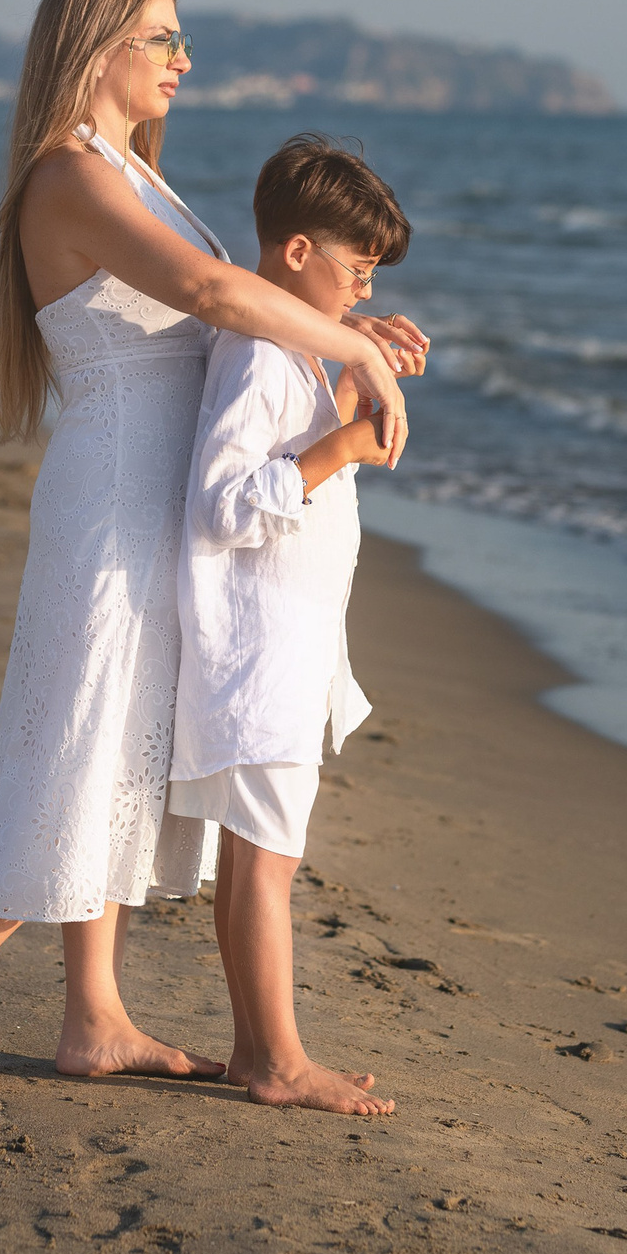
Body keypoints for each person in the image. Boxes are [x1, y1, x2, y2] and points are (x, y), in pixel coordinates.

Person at [0, 0, 426, 1086]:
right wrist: (357, 351)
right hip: (114, 505)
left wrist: (355, 323)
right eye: (162, 37)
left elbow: (251, 318)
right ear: (97, 51)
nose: (185, 59)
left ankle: (95, 1015)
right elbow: (223, 296)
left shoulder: (129, 174)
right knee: (79, 747)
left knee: (125, 757)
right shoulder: (69, 180)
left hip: (156, 503)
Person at [170, 135, 412, 1116]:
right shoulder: (261, 356)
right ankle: (277, 1058)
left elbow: (296, 446)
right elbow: (222, 505)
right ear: (298, 252)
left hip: (280, 639)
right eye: (355, 274)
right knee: (266, 861)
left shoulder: (288, 346)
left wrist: (348, 374)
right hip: (259, 644)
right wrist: (344, 444)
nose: (359, 298)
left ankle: (251, 1047)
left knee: (251, 855)